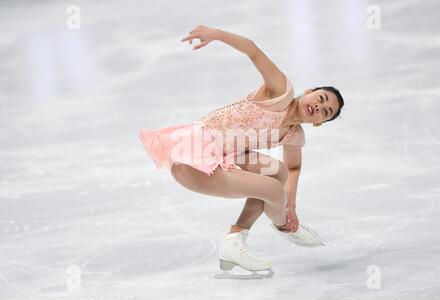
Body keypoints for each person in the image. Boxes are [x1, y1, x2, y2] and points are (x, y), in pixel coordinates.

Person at [139, 25, 344, 278]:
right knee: (273, 190)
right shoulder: (280, 92)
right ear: (310, 92)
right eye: (321, 99)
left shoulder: (294, 135)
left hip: (220, 158)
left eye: (326, 112)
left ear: (319, 123)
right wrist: (217, 34)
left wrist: (291, 204)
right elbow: (254, 51)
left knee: (277, 173)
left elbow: (292, 167)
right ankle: (286, 227)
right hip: (192, 159)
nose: (319, 107)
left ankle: (236, 239)